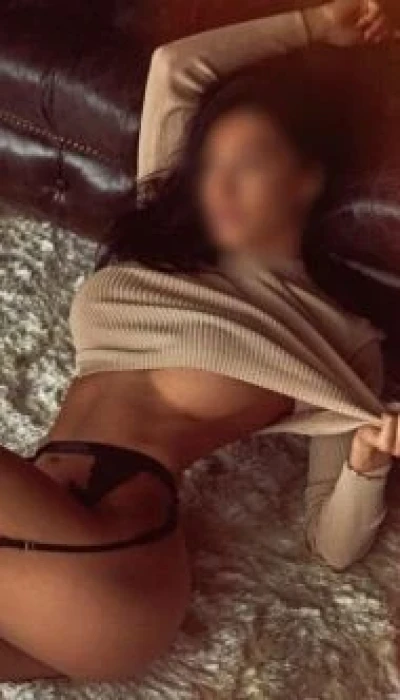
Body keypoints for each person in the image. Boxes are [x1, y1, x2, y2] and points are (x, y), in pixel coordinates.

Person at [0, 0, 398, 683]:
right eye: (210, 164)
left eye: (250, 163)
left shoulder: (337, 336)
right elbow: (177, 66)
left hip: (113, 573)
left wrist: (367, 463)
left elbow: (331, 546)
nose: (221, 184)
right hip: (37, 563)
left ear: (306, 181)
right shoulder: (167, 241)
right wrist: (315, 24)